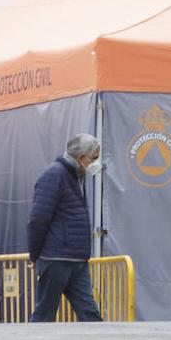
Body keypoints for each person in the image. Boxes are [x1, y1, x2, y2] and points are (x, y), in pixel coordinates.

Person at [27, 133, 104, 322]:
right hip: (56, 259)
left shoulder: (76, 175)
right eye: (94, 158)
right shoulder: (54, 175)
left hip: (76, 259)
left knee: (90, 314)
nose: (96, 162)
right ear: (82, 158)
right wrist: (34, 256)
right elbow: (37, 219)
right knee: (44, 315)